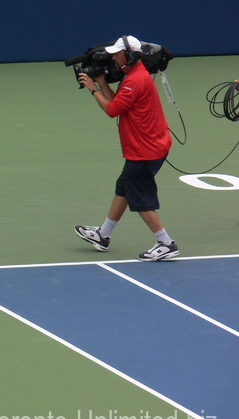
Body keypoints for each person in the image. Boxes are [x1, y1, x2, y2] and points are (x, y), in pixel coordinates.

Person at [74, 35, 178, 261]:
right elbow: (119, 104)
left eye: (117, 53)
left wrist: (93, 89)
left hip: (145, 150)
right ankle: (103, 235)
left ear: (129, 55)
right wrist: (101, 82)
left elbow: (111, 110)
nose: (113, 57)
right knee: (124, 187)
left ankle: (166, 243)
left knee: (138, 197)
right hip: (148, 147)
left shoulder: (135, 80)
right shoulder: (133, 75)